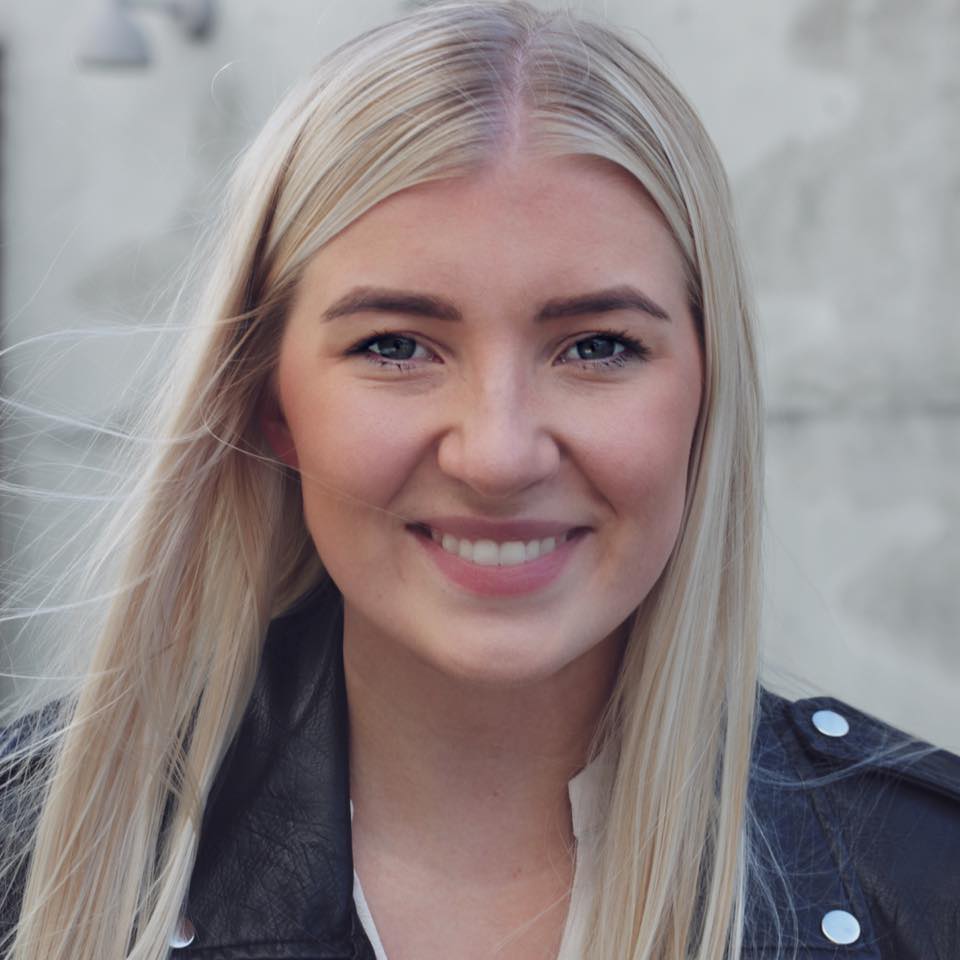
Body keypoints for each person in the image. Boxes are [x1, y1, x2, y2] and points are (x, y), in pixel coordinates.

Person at [1, 2, 958, 958]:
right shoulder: (28, 849)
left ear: (710, 395)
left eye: (597, 346)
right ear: (270, 403)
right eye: (394, 345)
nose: (498, 456)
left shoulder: (927, 880)